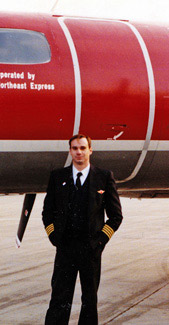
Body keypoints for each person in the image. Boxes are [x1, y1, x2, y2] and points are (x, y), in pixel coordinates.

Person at [42, 134, 123, 324]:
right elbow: (47, 213)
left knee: (89, 301)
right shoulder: (57, 177)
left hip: (91, 249)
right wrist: (54, 237)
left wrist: (101, 241)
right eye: (75, 148)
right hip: (65, 249)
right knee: (59, 299)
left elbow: (116, 216)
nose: (79, 152)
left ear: (90, 150)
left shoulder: (104, 177)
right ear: (70, 151)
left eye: (83, 148)